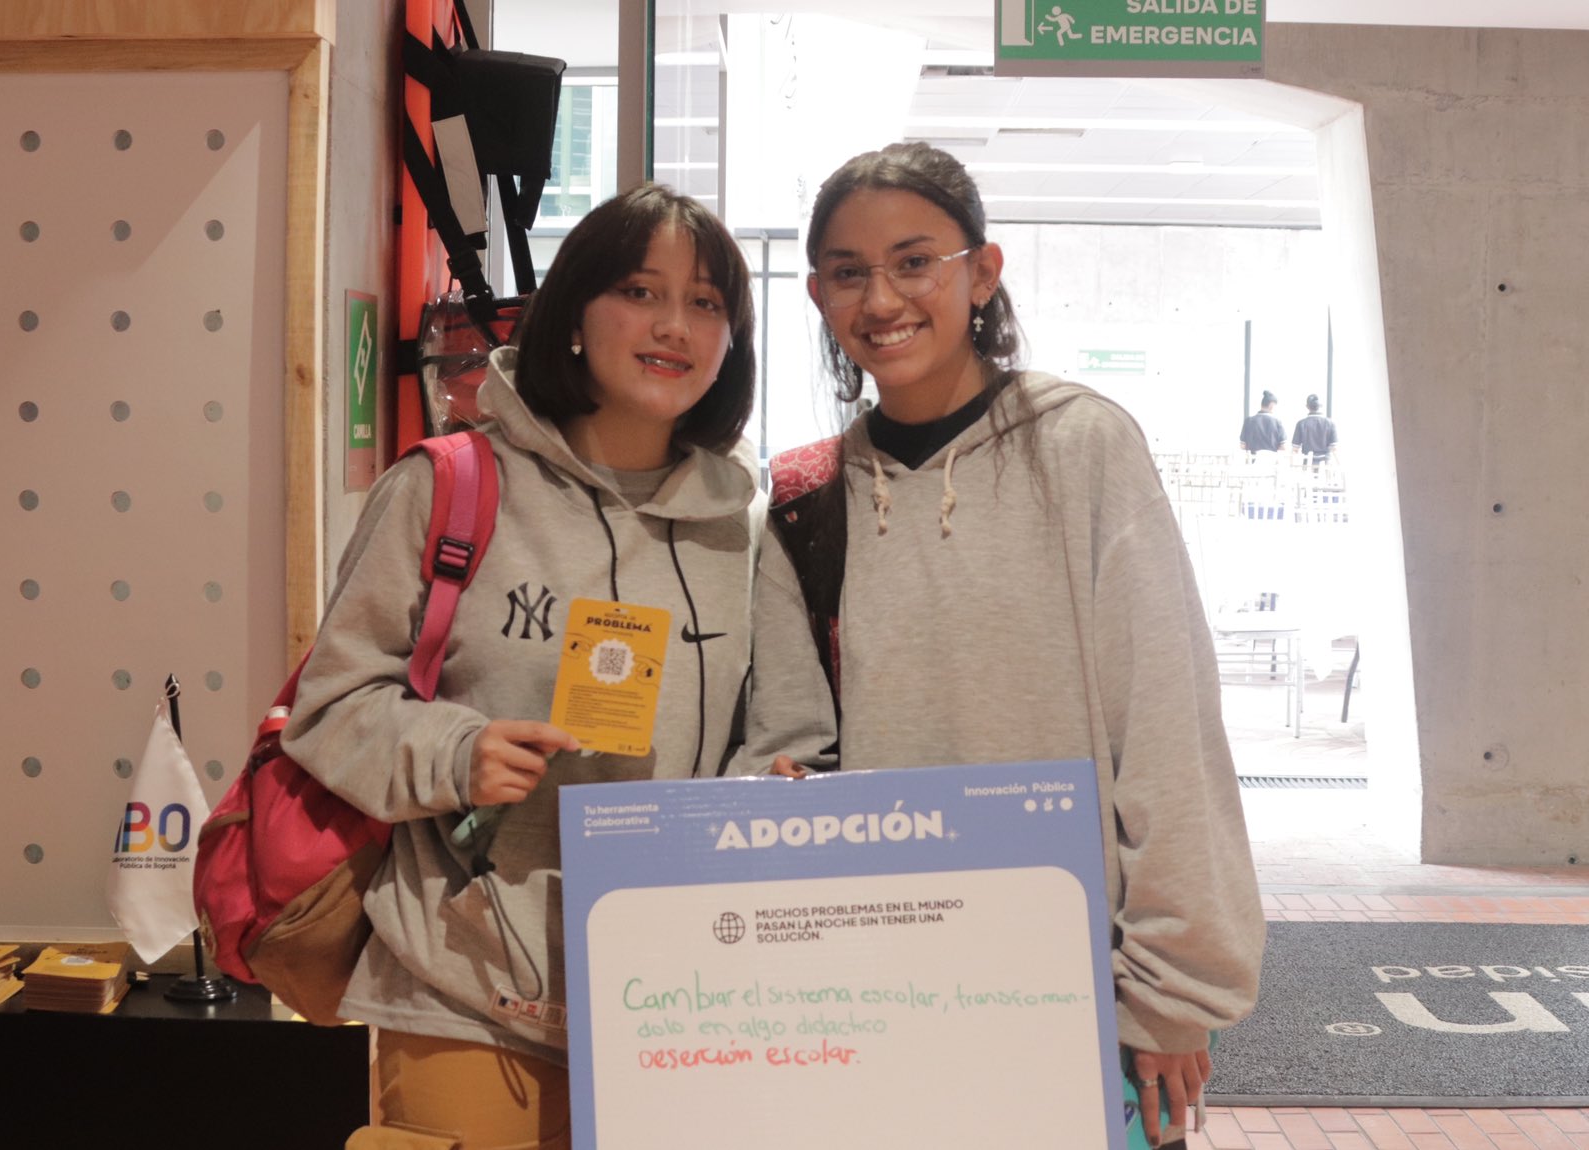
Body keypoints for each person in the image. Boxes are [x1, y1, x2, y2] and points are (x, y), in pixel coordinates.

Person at [280, 184, 831, 1150]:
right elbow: (332, 707)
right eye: (639, 290)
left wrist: (764, 795)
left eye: (706, 303)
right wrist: (458, 753)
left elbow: (788, 733)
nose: (674, 325)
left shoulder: (743, 526)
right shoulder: (446, 487)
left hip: (683, 1005)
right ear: (575, 315)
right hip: (467, 992)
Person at [769, 141, 1263, 1148]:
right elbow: (790, 735)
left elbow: (1164, 720)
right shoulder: (803, 493)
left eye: (914, 261)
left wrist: (1171, 991)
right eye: (849, 272)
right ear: (818, 293)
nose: (882, 298)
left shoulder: (1082, 445)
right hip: (873, 987)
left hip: (1071, 982)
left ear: (979, 271)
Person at [1291, 393, 1338, 463]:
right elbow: (1334, 448)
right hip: (1325, 463)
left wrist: (1291, 465)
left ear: (1307, 406)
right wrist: (1339, 464)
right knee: (1324, 473)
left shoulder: (1301, 424)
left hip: (1308, 464)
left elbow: (1295, 449)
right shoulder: (1330, 423)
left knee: (1307, 474)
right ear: (1320, 406)